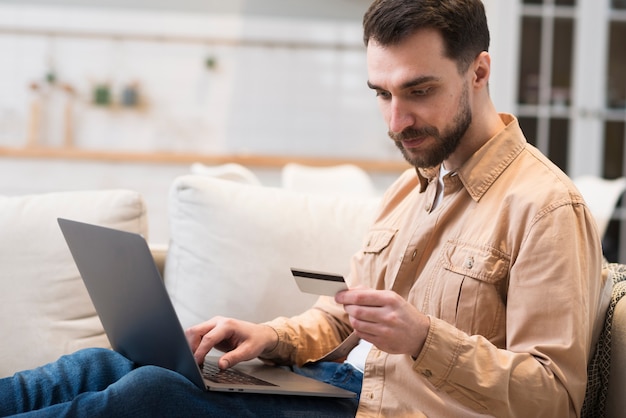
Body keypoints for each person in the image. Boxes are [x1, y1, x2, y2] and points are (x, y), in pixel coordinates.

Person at [0, 0, 611, 416]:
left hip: (378, 410)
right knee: (105, 363)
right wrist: (270, 336)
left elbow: (555, 397)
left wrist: (424, 338)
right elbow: (346, 318)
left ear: (478, 71)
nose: (397, 122)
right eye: (382, 94)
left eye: (419, 92)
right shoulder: (413, 186)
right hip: (337, 387)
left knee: (149, 393)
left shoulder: (546, 207)